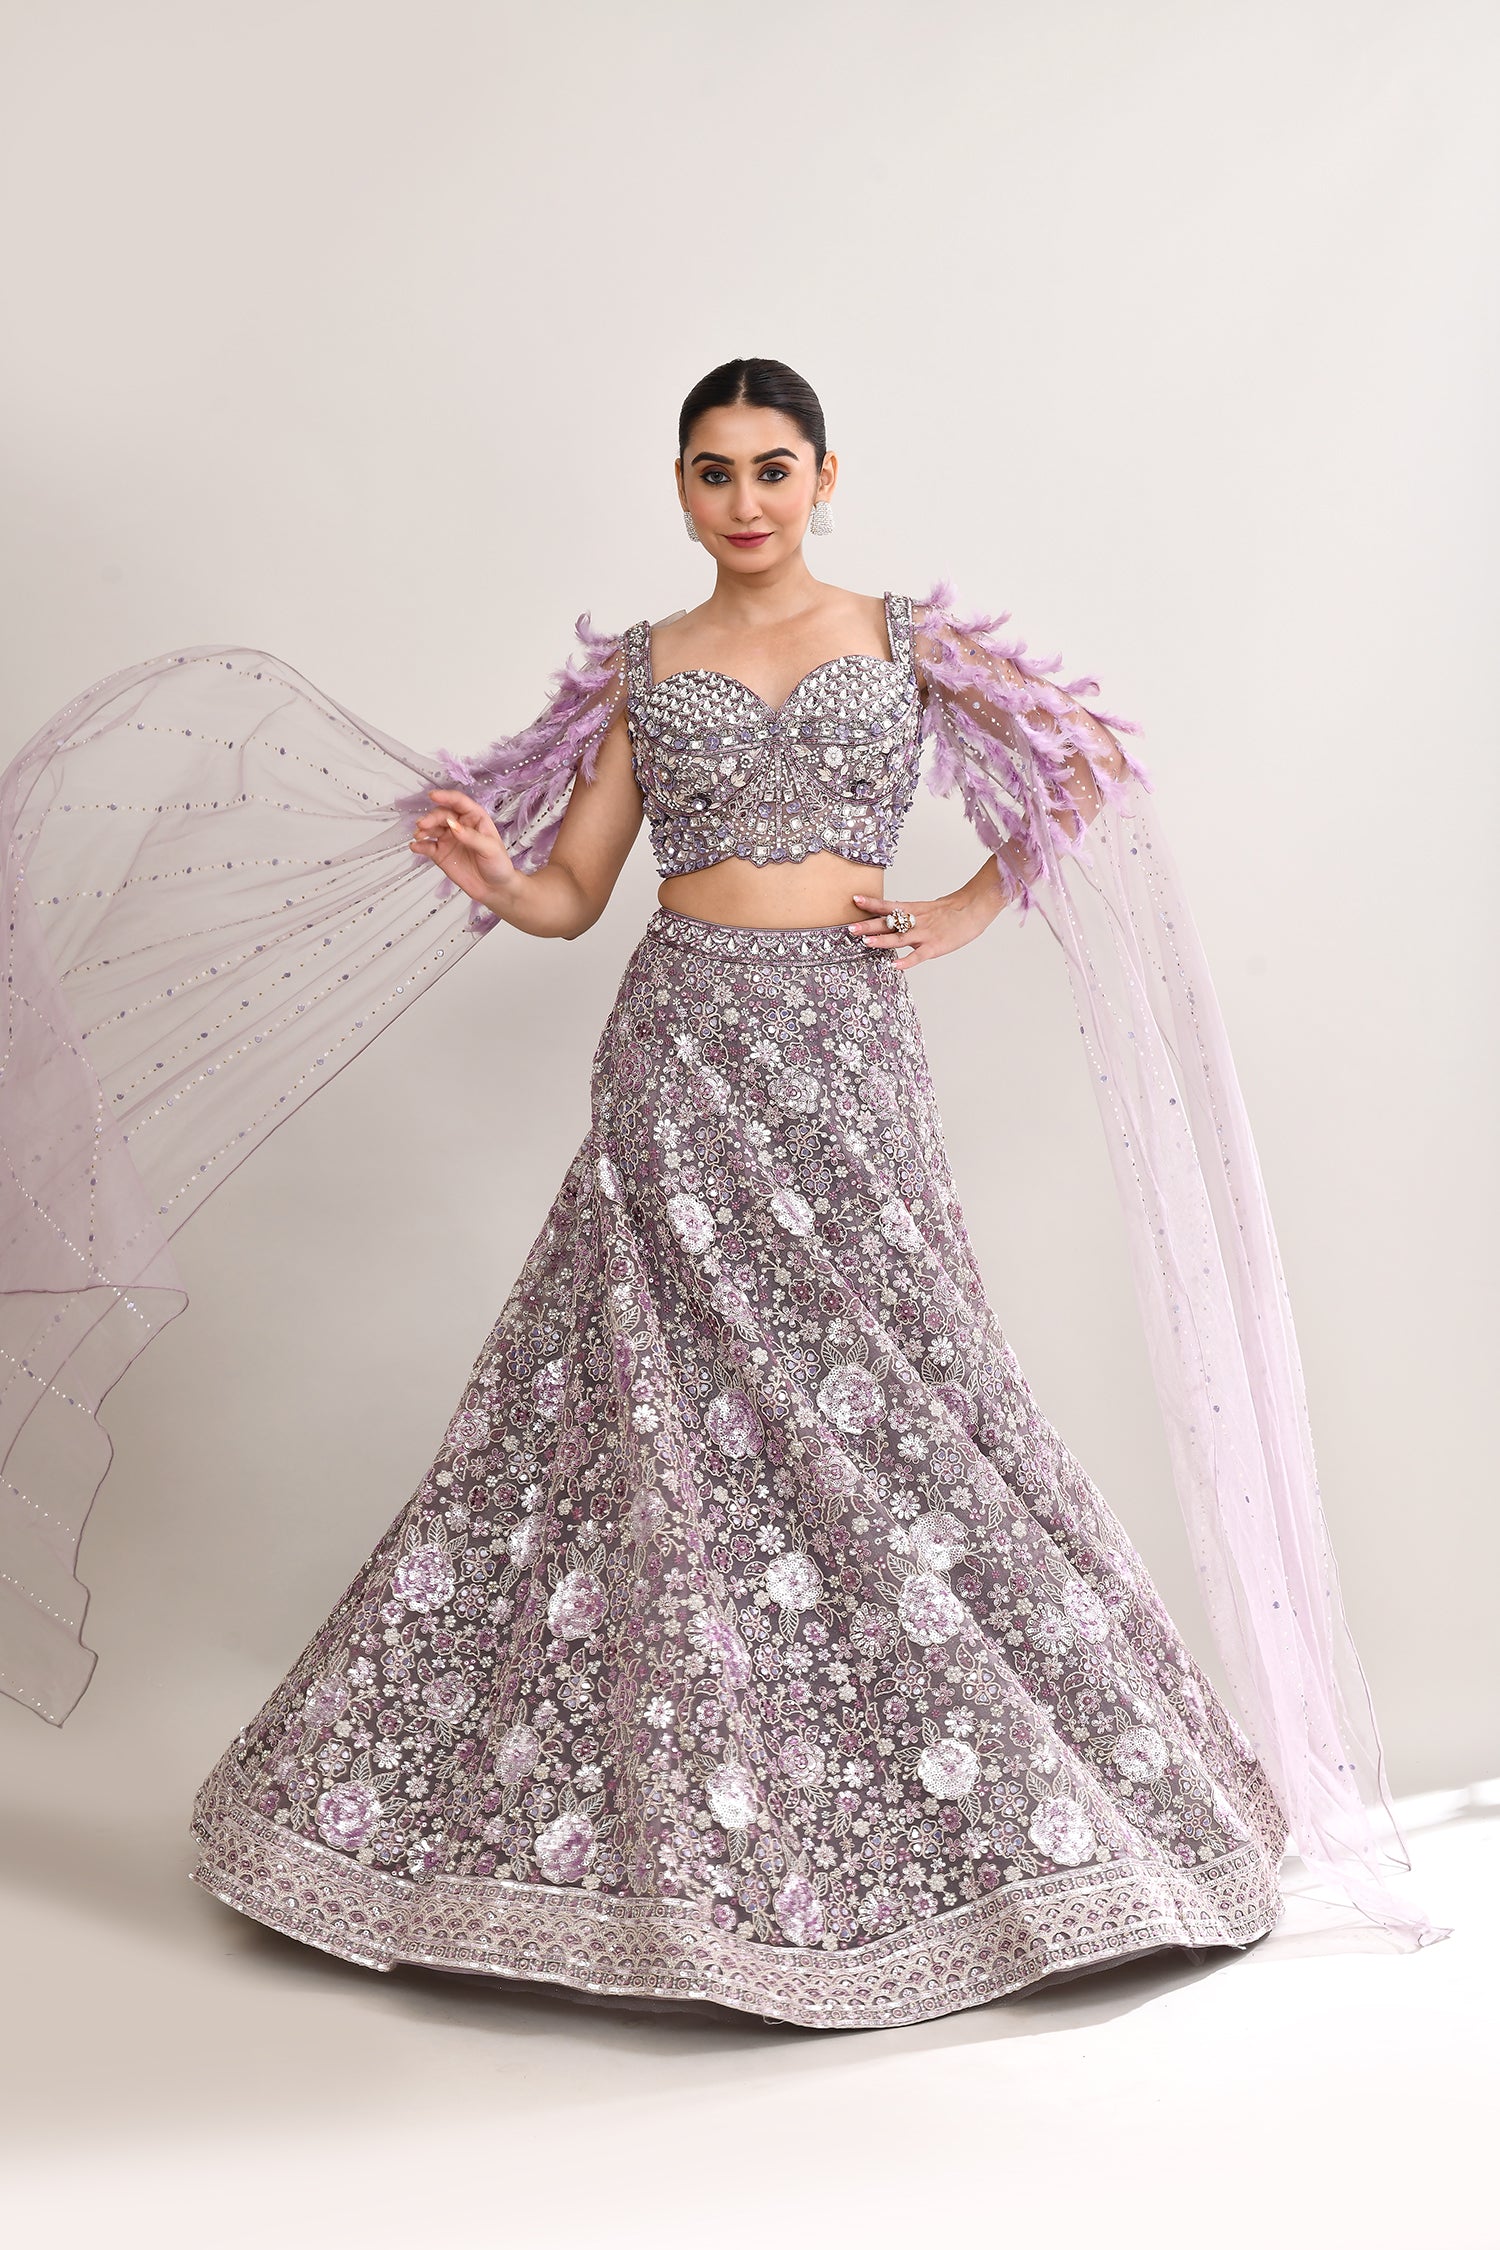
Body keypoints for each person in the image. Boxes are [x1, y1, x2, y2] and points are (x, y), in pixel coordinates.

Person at [0, 357, 1439, 2031]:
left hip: (842, 1057)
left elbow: (1088, 767)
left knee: (898, 1390)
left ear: (826, 475)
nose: (743, 499)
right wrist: (491, 873)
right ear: (679, 488)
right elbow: (576, 894)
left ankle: (993, 1813)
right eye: (711, 470)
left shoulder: (909, 642)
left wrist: (963, 910)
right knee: (648, 1409)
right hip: (678, 1049)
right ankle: (643, 1840)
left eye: (771, 466)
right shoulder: (645, 666)